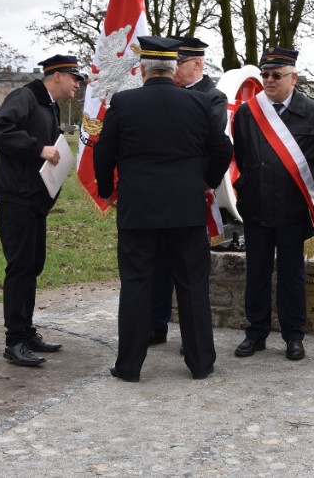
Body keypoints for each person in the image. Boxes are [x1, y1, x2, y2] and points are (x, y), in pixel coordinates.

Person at [93, 36, 233, 382]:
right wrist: (207, 181)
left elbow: (102, 153)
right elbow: (223, 149)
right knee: (192, 285)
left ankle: (129, 366)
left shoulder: (123, 103)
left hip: (138, 210)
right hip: (186, 210)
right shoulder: (198, 104)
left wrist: (109, 190)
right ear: (173, 69)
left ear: (142, 69)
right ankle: (201, 363)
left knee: (137, 284)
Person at [230, 46, 314, 361]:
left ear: (293, 77)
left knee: (292, 274)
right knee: (256, 274)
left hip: (293, 210)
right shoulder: (248, 112)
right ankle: (256, 333)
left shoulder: (313, 112)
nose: (269, 80)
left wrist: (303, 194)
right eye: (265, 75)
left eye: (276, 75)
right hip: (256, 207)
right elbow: (243, 158)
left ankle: (293, 336)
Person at [0, 54, 85, 367]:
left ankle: (26, 332)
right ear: (56, 76)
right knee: (20, 267)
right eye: (73, 77)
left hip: (34, 198)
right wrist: (37, 148)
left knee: (32, 265)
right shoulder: (25, 97)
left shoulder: (48, 105)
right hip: (16, 197)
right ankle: (14, 341)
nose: (77, 83)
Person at [146, 35, 228, 347]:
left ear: (197, 64)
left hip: (192, 193)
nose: (173, 68)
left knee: (188, 271)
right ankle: (155, 324)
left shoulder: (213, 97)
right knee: (157, 265)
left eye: (178, 62)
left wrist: (206, 180)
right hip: (158, 195)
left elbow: (215, 146)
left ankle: (191, 339)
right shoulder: (164, 94)